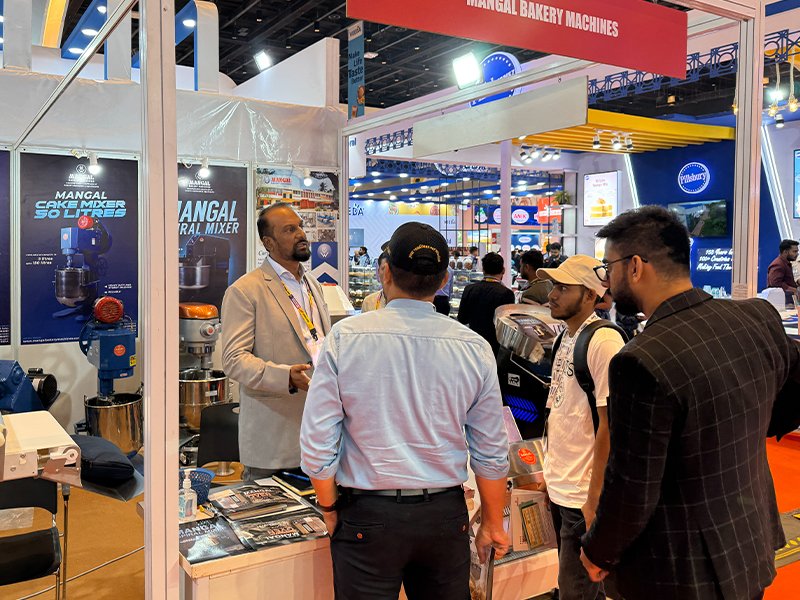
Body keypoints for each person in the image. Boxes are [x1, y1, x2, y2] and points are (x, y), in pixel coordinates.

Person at [579, 206, 800, 600]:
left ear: (635, 266)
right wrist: (757, 424)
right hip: (750, 544)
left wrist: (598, 551)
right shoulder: (756, 316)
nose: (606, 279)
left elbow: (633, 486)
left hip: (680, 572)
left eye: (607, 267)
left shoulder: (640, 359)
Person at [300, 222, 510, 600]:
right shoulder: (474, 347)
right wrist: (493, 522)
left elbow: (318, 442)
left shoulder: (345, 338)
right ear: (444, 280)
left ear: (384, 272)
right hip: (444, 514)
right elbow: (491, 450)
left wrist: (328, 506)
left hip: (367, 514)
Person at [534, 255, 626, 600]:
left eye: (563, 288)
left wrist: (594, 498)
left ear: (590, 295)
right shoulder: (566, 338)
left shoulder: (603, 341)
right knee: (582, 589)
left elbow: (611, 425)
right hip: (563, 486)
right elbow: (561, 412)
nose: (552, 295)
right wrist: (550, 472)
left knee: (576, 591)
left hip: (583, 495)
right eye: (554, 286)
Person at [221, 203, 331, 481]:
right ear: (268, 243)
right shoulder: (245, 291)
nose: (301, 234)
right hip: (273, 438)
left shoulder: (313, 285)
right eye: (289, 230)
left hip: (319, 433)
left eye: (300, 226)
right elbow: (234, 360)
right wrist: (285, 377)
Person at [457, 253, 515, 355]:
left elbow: (462, 319)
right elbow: (507, 327)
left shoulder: (469, 289)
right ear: (503, 270)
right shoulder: (507, 293)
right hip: (495, 348)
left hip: (473, 344)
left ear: (483, 270)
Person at [767, 239, 799, 305]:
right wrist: (793, 289)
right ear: (785, 252)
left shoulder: (785, 263)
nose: (797, 254)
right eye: (794, 251)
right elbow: (775, 283)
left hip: (787, 301)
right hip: (782, 303)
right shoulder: (778, 264)